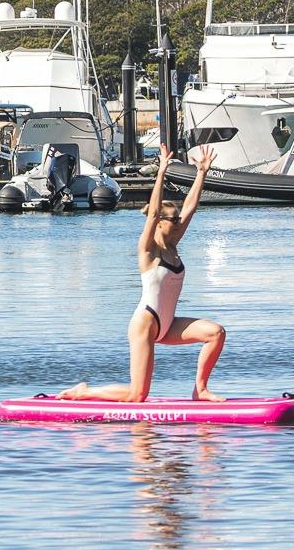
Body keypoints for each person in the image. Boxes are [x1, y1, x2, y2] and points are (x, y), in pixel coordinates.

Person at [62, 152, 223, 403]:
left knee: (216, 333)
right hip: (146, 324)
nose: (179, 222)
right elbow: (153, 211)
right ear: (159, 222)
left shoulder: (173, 245)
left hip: (168, 324)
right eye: (174, 219)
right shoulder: (148, 251)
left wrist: (202, 173)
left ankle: (200, 390)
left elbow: (190, 206)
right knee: (137, 395)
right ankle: (84, 392)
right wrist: (160, 173)